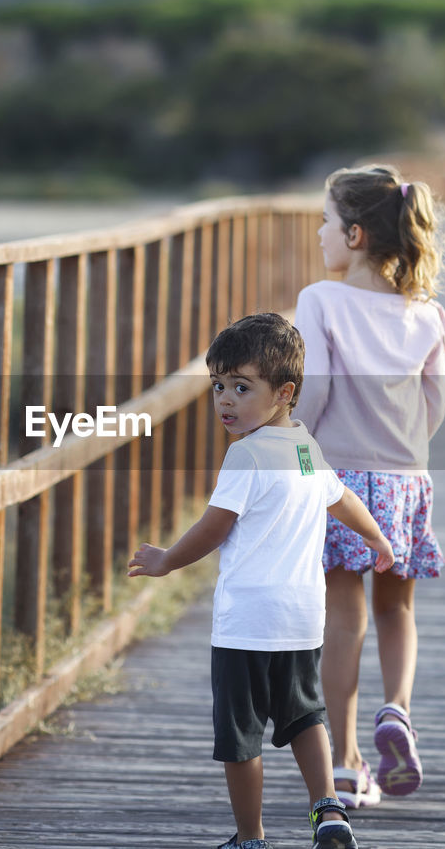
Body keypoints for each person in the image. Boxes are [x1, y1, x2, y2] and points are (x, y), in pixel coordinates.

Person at [128, 313, 394, 849]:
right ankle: (329, 809)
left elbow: (213, 528)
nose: (224, 399)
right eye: (218, 386)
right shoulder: (304, 447)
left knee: (240, 739)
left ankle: (250, 838)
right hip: (300, 621)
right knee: (305, 717)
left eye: (241, 387)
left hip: (245, 624)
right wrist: (377, 539)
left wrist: (166, 561)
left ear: (284, 392)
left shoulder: (244, 456)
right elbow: (341, 499)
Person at [293, 164, 445, 808]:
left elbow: (315, 394)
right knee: (397, 609)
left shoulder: (321, 300)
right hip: (406, 481)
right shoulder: (429, 315)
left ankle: (344, 761)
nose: (319, 232)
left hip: (340, 482)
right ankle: (398, 710)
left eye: (327, 222)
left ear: (355, 235)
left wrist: (287, 455)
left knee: (344, 615)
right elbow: (434, 406)